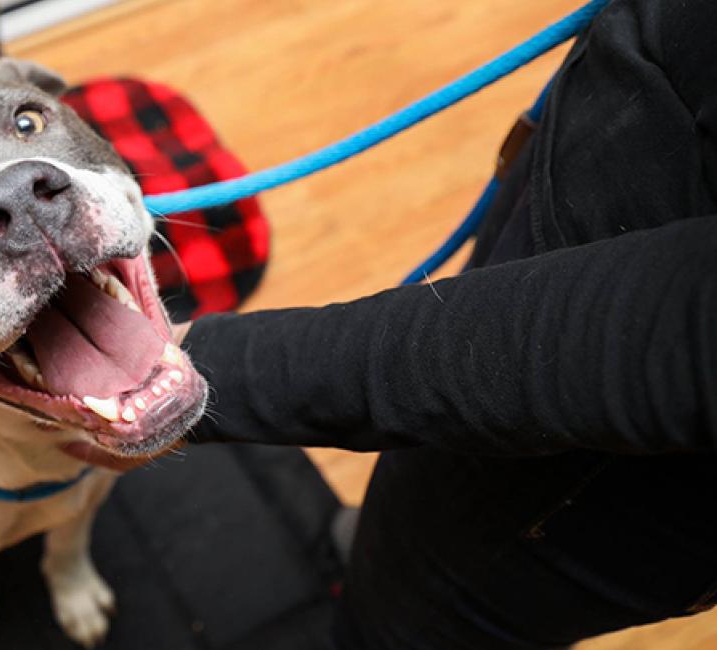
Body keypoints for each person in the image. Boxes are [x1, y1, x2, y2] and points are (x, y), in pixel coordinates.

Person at [66, 0, 717, 647]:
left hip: (601, 470)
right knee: (412, 497)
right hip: (594, 163)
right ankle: (385, 547)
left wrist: (221, 368)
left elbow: (641, 339)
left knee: (412, 617)